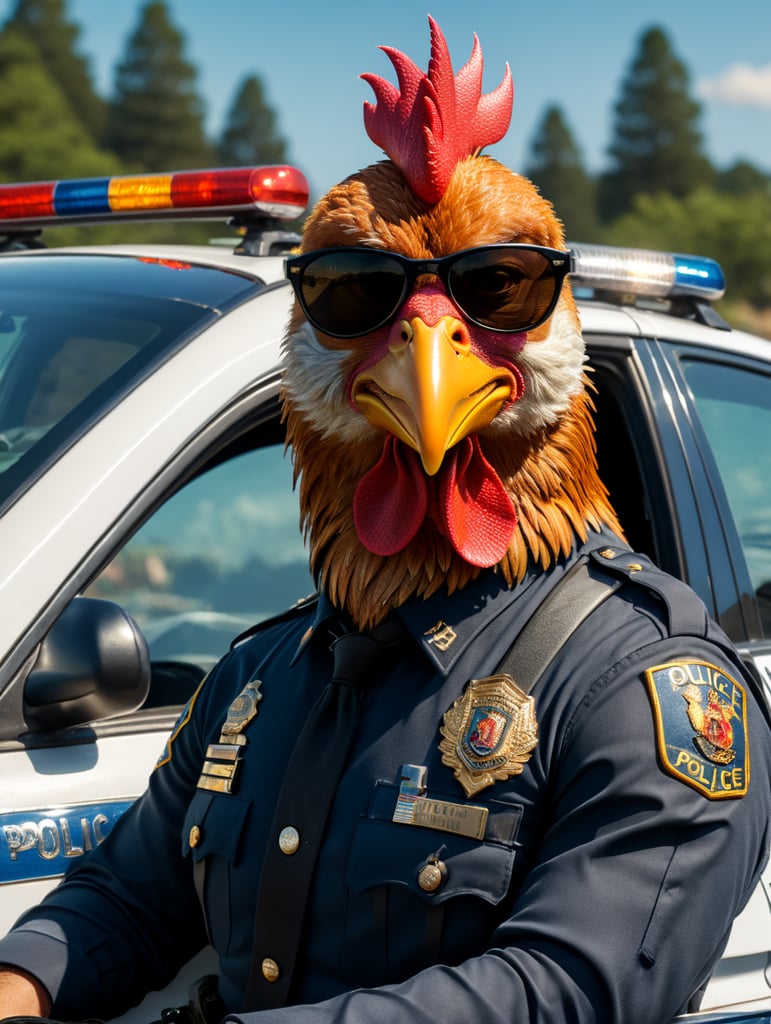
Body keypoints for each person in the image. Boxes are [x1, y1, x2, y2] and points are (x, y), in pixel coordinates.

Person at [1, 18, 769, 1024]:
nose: (429, 346)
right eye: (357, 295)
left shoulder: (645, 683)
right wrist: (19, 983)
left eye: (499, 289)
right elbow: (127, 896)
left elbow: (570, 989)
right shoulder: (261, 676)